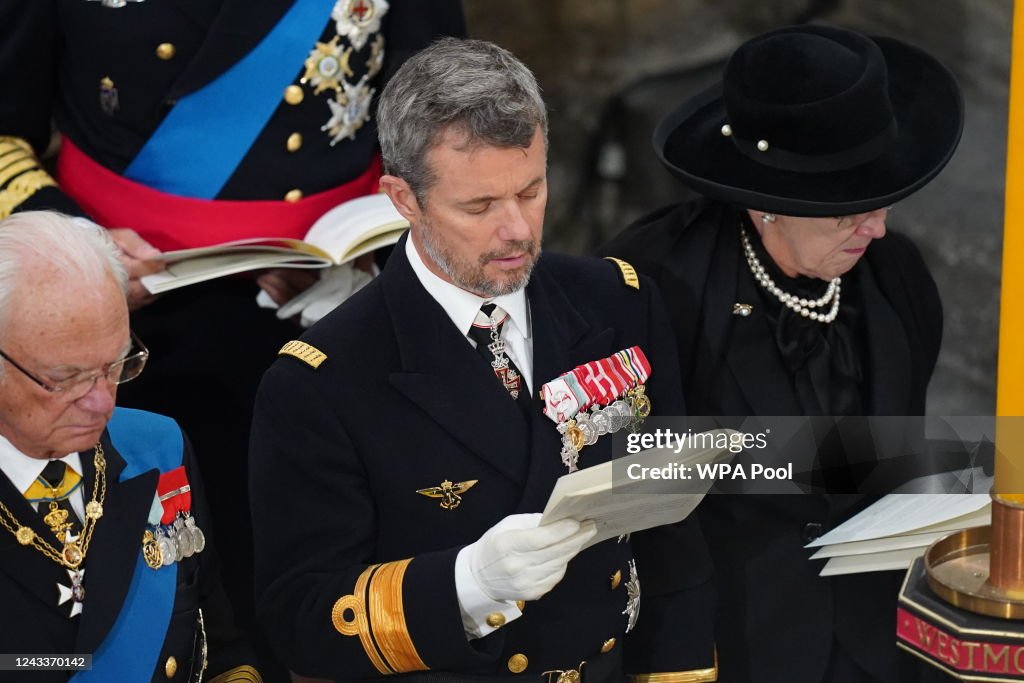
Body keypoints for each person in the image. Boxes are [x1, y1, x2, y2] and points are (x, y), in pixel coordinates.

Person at [249, 38, 718, 681]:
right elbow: (300, 620)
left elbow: (669, 523)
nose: (518, 230)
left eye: (531, 191)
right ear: (403, 199)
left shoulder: (616, 300)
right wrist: (466, 584)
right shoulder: (323, 379)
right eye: (478, 206)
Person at [0, 0, 466, 645]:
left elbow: (440, 118)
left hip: (338, 302)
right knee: (146, 589)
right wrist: (79, 248)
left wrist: (384, 242)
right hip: (130, 321)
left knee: (340, 570)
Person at [601, 24, 964, 683]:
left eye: (880, 200)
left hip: (875, 645)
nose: (877, 227)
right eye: (848, 210)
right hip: (729, 643)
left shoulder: (895, 276)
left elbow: (903, 456)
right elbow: (629, 480)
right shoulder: (657, 281)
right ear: (768, 204)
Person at [0, 211, 259, 682]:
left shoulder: (157, 447)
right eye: (66, 379)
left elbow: (219, 646)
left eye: (117, 364)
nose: (102, 403)